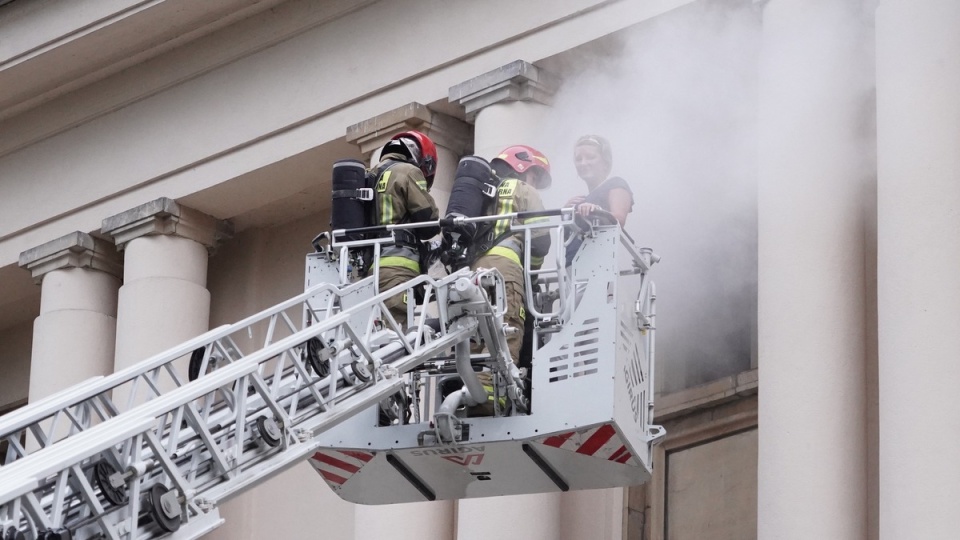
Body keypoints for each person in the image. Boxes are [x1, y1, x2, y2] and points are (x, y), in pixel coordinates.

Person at [470, 145, 552, 413]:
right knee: (507, 327)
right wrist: (532, 275)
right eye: (535, 176)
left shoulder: (482, 192)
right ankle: (495, 397)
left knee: (476, 330)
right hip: (506, 269)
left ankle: (472, 393)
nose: (535, 183)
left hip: (474, 271)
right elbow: (540, 241)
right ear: (522, 168)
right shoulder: (524, 191)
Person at [373, 130, 440, 329]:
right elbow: (428, 221)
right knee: (394, 338)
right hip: (398, 269)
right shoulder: (408, 172)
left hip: (370, 270)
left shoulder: (370, 175)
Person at [565, 134, 634, 263]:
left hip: (596, 267)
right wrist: (567, 214)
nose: (583, 163)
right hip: (571, 267)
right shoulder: (581, 201)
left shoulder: (616, 184)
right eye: (578, 159)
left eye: (590, 157)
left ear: (605, 162)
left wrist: (596, 211)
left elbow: (618, 220)